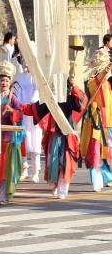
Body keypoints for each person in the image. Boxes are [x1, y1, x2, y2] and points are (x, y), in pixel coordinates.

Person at [21, 75, 86, 199]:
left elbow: (82, 103)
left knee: (65, 162)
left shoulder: (71, 97)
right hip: (53, 134)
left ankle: (62, 189)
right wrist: (17, 106)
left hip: (67, 135)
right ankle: (57, 184)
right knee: (53, 162)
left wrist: (74, 86)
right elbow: (35, 108)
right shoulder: (51, 99)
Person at [0, 61, 24, 204]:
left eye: (7, 80)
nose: (4, 83)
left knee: (7, 167)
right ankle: (1, 195)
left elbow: (20, 115)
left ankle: (6, 193)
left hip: (9, 137)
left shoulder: (12, 98)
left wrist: (12, 111)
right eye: (2, 80)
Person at [80, 49, 112, 192]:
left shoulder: (108, 84)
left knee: (108, 152)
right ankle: (96, 181)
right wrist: (104, 71)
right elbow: (100, 77)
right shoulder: (92, 82)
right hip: (96, 123)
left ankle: (107, 177)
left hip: (108, 122)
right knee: (95, 153)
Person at [13, 46, 43, 184]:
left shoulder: (37, 75)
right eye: (24, 59)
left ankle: (35, 171)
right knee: (23, 140)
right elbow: (16, 90)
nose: (25, 62)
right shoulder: (20, 74)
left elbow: (39, 92)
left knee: (35, 141)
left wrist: (33, 104)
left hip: (34, 112)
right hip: (22, 112)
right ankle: (24, 168)